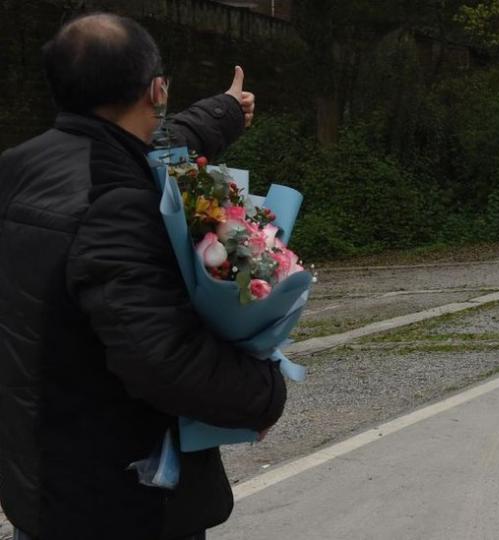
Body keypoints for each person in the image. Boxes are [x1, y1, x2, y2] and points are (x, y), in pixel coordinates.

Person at [0, 13, 284, 540]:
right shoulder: (116, 203)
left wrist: (225, 110)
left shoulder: (19, 166)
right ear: (157, 89)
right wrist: (261, 394)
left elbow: (158, 143)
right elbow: (162, 359)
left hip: (40, 481)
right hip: (120, 503)